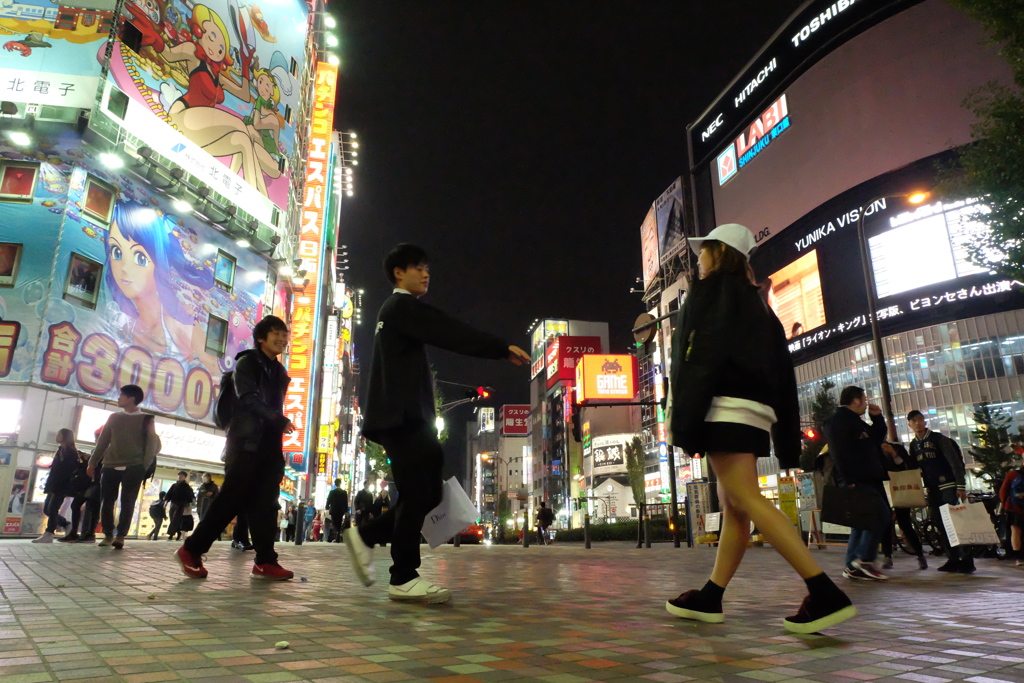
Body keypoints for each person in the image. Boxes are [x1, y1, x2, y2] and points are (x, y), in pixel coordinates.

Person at [665, 224, 855, 634]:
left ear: (718, 254)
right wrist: (785, 438)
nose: (699, 260)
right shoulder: (760, 306)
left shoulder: (708, 294)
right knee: (735, 506)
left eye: (703, 253)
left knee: (747, 499)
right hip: (754, 415)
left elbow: (694, 362)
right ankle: (711, 596)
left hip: (721, 410)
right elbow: (783, 376)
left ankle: (823, 590)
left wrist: (685, 422)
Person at [344, 243, 530, 604]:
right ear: (399, 273)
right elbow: (449, 330)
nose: (426, 273)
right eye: (418, 267)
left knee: (428, 491)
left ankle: (366, 537)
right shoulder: (401, 307)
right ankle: (402, 576)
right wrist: (499, 347)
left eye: (427, 267)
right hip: (403, 417)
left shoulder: (395, 311)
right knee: (421, 491)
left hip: (403, 417)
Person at [175, 315, 295, 580]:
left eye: (284, 335)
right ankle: (191, 549)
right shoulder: (247, 362)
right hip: (245, 441)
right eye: (276, 333)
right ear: (261, 338)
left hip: (269, 444)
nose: (282, 339)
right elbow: (247, 397)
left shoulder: (278, 370)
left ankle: (265, 561)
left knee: (266, 504)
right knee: (232, 499)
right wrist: (278, 420)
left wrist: (276, 427)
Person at [823, 386, 891, 581]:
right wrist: (849, 479)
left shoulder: (855, 421)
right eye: (864, 398)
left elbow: (875, 440)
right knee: (879, 515)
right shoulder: (838, 421)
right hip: (857, 478)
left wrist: (877, 418)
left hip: (866, 477)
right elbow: (838, 452)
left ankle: (852, 565)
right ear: (855, 400)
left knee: (861, 522)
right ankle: (863, 560)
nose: (866, 402)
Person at [87, 385, 160, 550]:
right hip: (110, 464)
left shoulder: (146, 419)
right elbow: (103, 442)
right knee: (106, 501)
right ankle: (108, 534)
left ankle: (120, 536)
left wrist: (144, 465)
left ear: (131, 398)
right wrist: (93, 462)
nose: (119, 398)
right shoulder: (113, 418)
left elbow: (151, 444)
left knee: (128, 502)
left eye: (122, 396)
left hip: (134, 466)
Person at [907, 410, 974, 573]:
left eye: (920, 419)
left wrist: (960, 486)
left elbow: (955, 462)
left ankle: (966, 560)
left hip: (948, 486)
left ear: (924, 421)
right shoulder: (914, 445)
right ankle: (952, 558)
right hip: (932, 489)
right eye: (913, 421)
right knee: (940, 524)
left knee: (954, 523)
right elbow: (913, 468)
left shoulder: (939, 439)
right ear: (909, 425)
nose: (917, 423)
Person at [879, 441, 928, 570]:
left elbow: (909, 465)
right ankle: (887, 556)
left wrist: (894, 454)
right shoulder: (872, 449)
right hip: (884, 490)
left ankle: (920, 554)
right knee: (885, 524)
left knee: (905, 523)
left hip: (901, 489)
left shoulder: (897, 448)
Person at [33, 428, 78, 543]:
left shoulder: (71, 452)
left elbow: (69, 470)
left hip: (61, 484)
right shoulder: (60, 450)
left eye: (59, 435)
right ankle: (66, 524)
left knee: (52, 508)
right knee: (47, 509)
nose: (56, 436)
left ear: (65, 437)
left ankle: (49, 533)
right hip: (53, 483)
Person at [62, 448, 99, 543]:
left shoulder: (106, 453)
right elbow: (82, 469)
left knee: (93, 507)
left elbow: (101, 466)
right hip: (86, 484)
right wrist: (86, 459)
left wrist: (89, 459)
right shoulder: (95, 452)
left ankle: (89, 533)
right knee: (77, 505)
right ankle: (77, 532)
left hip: (95, 484)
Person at [999, 464, 1024, 567]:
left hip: (1014, 508)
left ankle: (1018, 558)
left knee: (1016, 532)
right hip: (1016, 507)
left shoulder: (1012, 474)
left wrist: (1006, 505)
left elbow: (1003, 491)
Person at [165, 471, 196, 541]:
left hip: (181, 504)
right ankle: (178, 532)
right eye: (179, 475)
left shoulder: (186, 486)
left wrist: (188, 505)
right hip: (173, 503)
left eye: (182, 476)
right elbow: (169, 494)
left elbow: (189, 496)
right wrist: (166, 502)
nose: (180, 477)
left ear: (184, 477)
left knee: (175, 519)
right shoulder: (174, 485)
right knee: (172, 519)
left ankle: (170, 535)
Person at [326, 479, 349, 543]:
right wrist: (346, 511)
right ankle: (338, 536)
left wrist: (327, 507)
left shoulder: (332, 492)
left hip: (334, 510)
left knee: (334, 523)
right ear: (340, 483)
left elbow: (328, 501)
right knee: (339, 522)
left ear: (335, 484)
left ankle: (336, 536)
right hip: (341, 510)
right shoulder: (344, 492)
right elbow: (345, 502)